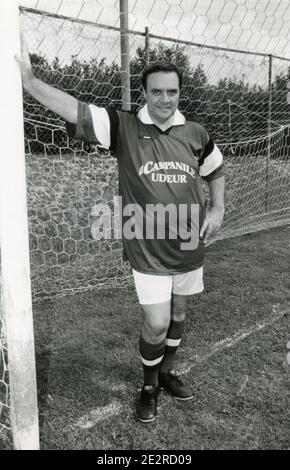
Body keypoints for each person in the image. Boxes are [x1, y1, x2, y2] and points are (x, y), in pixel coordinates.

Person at [16, 38, 225, 423]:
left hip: (190, 241)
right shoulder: (124, 126)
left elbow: (215, 169)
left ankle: (165, 373)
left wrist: (218, 206)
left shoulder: (195, 132)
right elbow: (76, 110)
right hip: (147, 247)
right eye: (157, 91)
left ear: (180, 93)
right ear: (144, 92)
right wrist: (30, 83)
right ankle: (148, 386)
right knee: (157, 321)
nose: (165, 99)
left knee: (179, 311)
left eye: (172, 91)